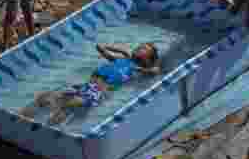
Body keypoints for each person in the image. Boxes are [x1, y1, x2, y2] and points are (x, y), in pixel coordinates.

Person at [20, 43, 161, 125]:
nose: (140, 48)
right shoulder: (118, 59)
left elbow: (155, 71)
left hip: (97, 91)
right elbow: (99, 47)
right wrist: (122, 51)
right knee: (44, 97)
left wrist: (144, 67)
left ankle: (47, 128)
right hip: (85, 85)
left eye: (144, 49)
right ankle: (21, 118)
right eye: (140, 46)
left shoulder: (136, 69)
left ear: (147, 59)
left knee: (66, 105)